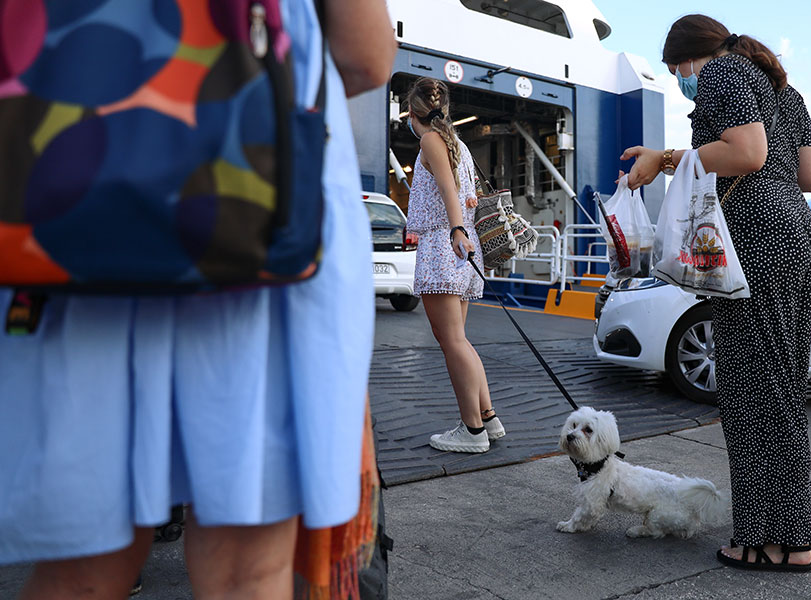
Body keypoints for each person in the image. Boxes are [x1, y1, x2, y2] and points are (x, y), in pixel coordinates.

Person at [0, 1, 396, 598]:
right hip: (249, 219)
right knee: (246, 570)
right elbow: (365, 58)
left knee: (80, 570)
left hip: (68, 216)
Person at [619, 14, 811, 571]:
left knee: (752, 394)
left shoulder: (725, 72)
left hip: (756, 243)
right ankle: (799, 512)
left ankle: (775, 542)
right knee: (781, 387)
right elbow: (808, 176)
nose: (680, 82)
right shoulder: (783, 87)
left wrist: (663, 160)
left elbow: (748, 152)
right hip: (798, 236)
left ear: (687, 58)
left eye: (674, 71)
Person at [403, 77, 506, 453]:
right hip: (461, 247)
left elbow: (447, 188)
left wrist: (455, 229)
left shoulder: (429, 140)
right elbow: (463, 192)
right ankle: (488, 419)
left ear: (413, 113)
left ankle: (472, 430)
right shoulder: (456, 143)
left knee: (451, 341)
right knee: (459, 340)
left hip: (444, 243)